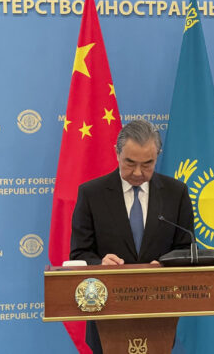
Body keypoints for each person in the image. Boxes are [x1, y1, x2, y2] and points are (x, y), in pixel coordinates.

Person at [70, 119, 194, 353]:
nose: (138, 172)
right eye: (130, 163)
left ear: (158, 156)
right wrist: (99, 263)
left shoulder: (176, 193)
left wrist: (166, 263)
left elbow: (186, 248)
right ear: (117, 153)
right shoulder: (91, 194)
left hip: (159, 312)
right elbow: (79, 253)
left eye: (147, 164)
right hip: (106, 313)